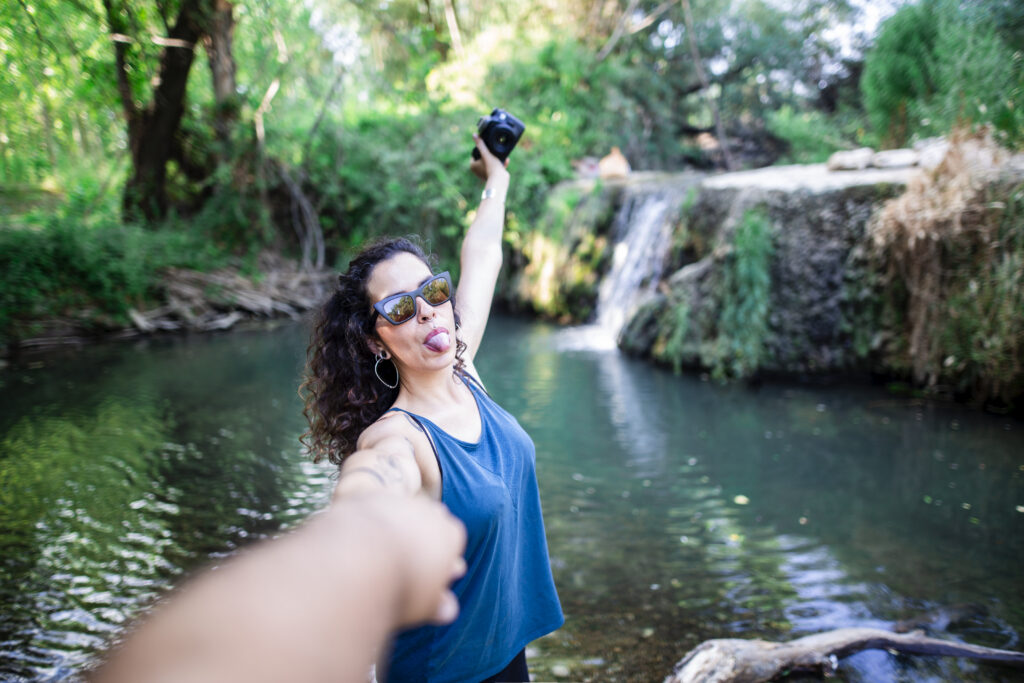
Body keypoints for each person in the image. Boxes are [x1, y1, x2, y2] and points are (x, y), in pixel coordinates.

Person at [300, 133, 564, 683]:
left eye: (433, 292)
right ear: (375, 341)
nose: (426, 313)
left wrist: (497, 180)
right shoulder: (398, 438)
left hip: (504, 656)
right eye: (399, 308)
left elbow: (484, 255)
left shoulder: (463, 368)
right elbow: (371, 483)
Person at [90, 494, 468, 683]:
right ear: (377, 346)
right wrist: (381, 543)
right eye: (393, 332)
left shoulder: (461, 377)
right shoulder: (394, 433)